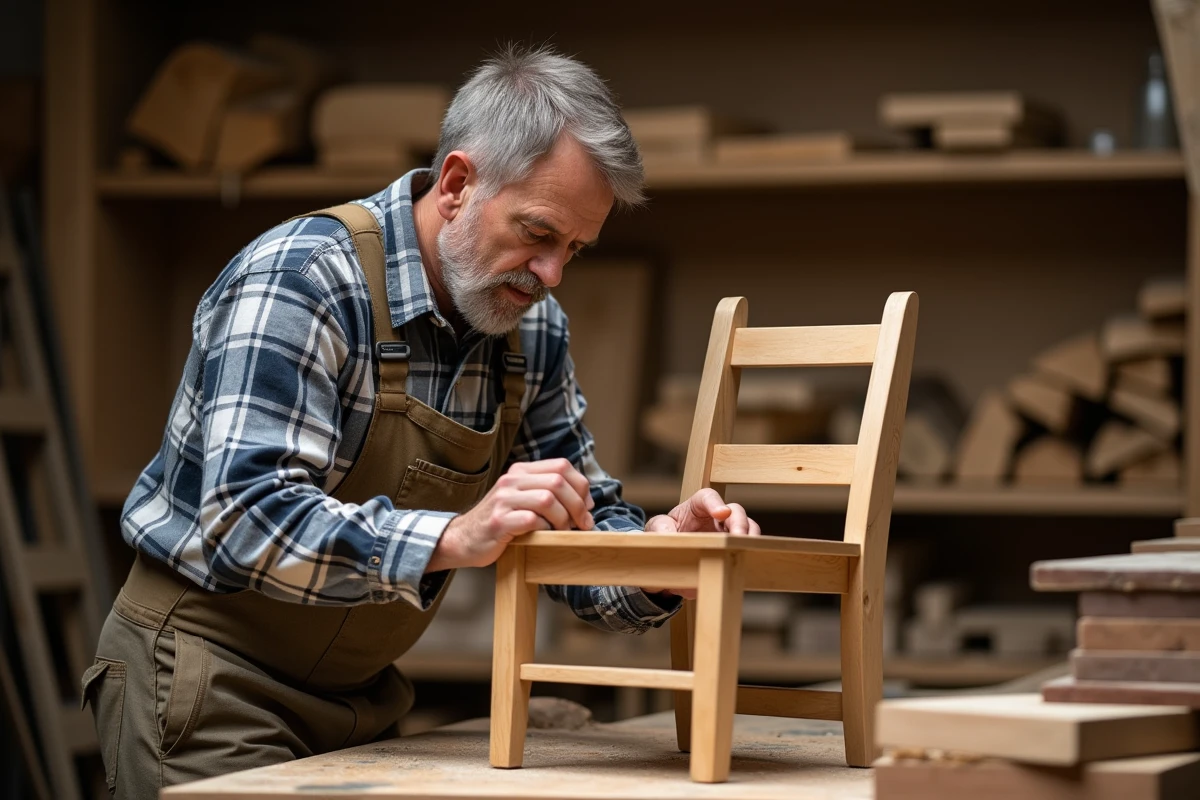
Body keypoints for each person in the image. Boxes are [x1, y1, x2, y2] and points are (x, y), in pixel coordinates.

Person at [81, 44, 760, 798]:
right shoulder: (303, 280)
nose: (552, 275)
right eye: (538, 232)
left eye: (574, 248)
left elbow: (577, 529)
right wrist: (457, 536)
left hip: (361, 699)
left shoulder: (531, 331)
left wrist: (661, 556)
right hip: (207, 681)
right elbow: (246, 519)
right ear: (458, 183)